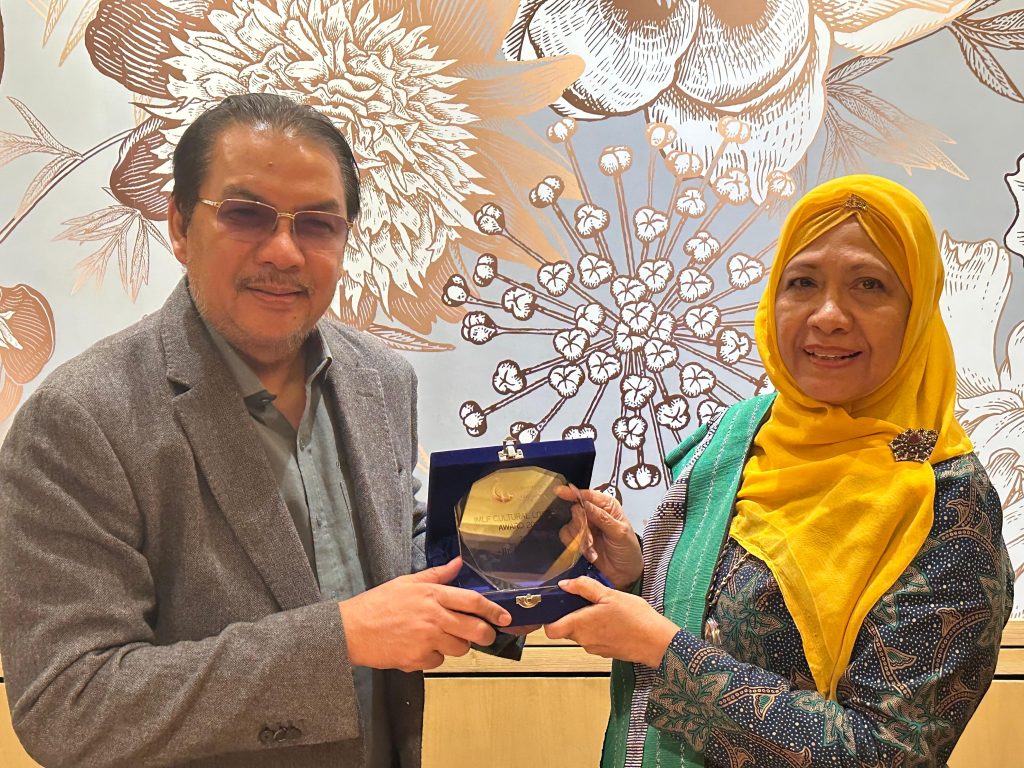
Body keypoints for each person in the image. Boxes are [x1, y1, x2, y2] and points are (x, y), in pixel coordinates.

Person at [0, 93, 511, 768]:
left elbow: (394, 549)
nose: (285, 251)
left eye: (318, 224)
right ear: (179, 225)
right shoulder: (81, 418)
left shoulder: (382, 379)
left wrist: (537, 554)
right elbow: (69, 705)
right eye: (246, 214)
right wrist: (339, 642)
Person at [546, 175, 1014, 767]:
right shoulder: (737, 438)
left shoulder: (946, 498)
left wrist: (665, 654)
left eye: (869, 285)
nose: (828, 315)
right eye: (803, 282)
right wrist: (636, 575)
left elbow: (892, 752)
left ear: (916, 311)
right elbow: (715, 620)